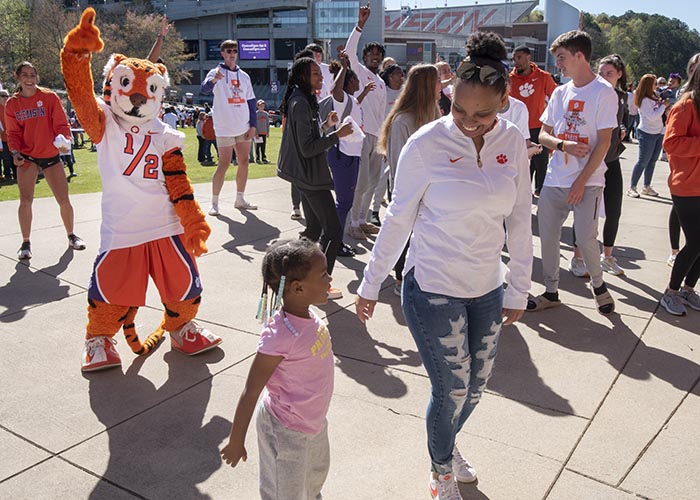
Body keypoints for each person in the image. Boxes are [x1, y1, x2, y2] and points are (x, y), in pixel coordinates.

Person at [356, 32, 532, 500]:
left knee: (475, 389)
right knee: (452, 388)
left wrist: (518, 289)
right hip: (432, 286)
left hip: (487, 286)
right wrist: (370, 283)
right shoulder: (424, 142)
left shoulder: (513, 141)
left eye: (484, 114)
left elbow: (519, 218)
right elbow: (397, 219)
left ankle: (447, 444)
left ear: (504, 102)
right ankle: (439, 474)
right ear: (448, 95)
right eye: (460, 110)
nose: (471, 122)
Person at [220, 238, 335, 500]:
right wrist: (236, 440)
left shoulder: (308, 314)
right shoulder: (280, 336)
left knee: (314, 478)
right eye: (324, 274)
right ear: (297, 288)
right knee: (285, 492)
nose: (329, 279)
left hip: (314, 421)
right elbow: (251, 391)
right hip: (286, 429)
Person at [527, 30, 617, 315]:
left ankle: (599, 287)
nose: (559, 64)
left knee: (586, 238)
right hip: (555, 180)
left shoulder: (604, 92)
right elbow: (543, 135)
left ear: (580, 56)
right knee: (549, 237)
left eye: (563, 58)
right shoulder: (559, 92)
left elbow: (604, 142)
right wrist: (562, 144)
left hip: (588, 182)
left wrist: (581, 181)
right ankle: (551, 291)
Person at [277, 56, 353, 300]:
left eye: (319, 74)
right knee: (333, 230)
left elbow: (306, 136)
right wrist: (337, 134)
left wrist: (324, 126)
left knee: (313, 228)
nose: (320, 77)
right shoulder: (300, 102)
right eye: (315, 74)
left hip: (305, 175)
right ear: (302, 76)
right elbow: (308, 148)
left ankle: (289, 270)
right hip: (309, 176)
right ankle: (323, 283)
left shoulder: (304, 99)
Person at [4, 61, 86, 259]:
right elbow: (12, 133)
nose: (29, 79)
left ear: (37, 77)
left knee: (63, 199)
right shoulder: (12, 104)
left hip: (50, 156)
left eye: (33, 75)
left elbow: (61, 124)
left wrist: (64, 139)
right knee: (26, 200)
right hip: (27, 158)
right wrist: (15, 152)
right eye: (25, 75)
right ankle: (25, 242)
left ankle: (71, 235)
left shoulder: (49, 97)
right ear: (18, 78)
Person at [376, 63, 441, 296]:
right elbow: (396, 164)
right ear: (426, 86)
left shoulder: (434, 113)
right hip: (408, 190)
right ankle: (400, 278)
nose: (441, 86)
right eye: (437, 82)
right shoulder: (402, 120)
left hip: (433, 191)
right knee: (403, 234)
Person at [569, 54, 630, 278]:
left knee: (614, 211)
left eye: (610, 73)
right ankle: (577, 258)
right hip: (591, 162)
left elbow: (619, 119)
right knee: (583, 212)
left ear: (619, 75)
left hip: (611, 160)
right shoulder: (592, 94)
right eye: (601, 73)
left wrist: (622, 127)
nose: (604, 78)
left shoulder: (621, 96)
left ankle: (608, 256)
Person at [659, 59, 700, 316]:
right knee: (696, 242)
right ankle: (670, 293)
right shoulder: (685, 105)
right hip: (686, 185)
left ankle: (687, 289)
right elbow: (671, 144)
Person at [201, 39, 258, 214]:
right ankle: (215, 203)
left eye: (234, 51)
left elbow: (251, 101)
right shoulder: (215, 72)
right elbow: (204, 90)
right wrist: (213, 81)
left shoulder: (244, 76)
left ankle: (240, 198)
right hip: (224, 127)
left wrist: (253, 125)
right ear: (223, 54)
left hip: (243, 125)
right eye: (228, 51)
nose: (232, 54)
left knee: (244, 161)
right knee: (223, 164)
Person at [345, 4, 387, 240]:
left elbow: (381, 113)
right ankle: (352, 223)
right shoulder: (359, 72)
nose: (375, 58)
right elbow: (350, 51)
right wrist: (360, 25)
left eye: (378, 55)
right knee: (359, 183)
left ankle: (362, 220)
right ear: (364, 58)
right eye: (371, 54)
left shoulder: (380, 82)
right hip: (361, 136)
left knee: (372, 183)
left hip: (377, 137)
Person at [321, 52, 368, 257]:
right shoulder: (341, 99)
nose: (359, 80)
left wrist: (364, 93)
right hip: (343, 155)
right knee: (344, 203)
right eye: (355, 78)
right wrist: (344, 67)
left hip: (351, 155)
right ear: (349, 81)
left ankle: (331, 240)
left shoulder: (352, 100)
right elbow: (334, 90)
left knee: (345, 202)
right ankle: (333, 242)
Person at [510, 45, 558, 196]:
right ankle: (521, 191)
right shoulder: (509, 78)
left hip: (537, 126)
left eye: (519, 57)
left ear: (528, 57)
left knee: (541, 162)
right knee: (519, 162)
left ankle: (541, 191)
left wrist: (552, 121)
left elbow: (556, 97)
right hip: (516, 127)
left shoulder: (544, 77)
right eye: (514, 58)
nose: (516, 62)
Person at [368, 62, 404, 228]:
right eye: (398, 74)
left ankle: (394, 211)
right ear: (390, 76)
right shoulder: (383, 91)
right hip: (384, 139)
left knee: (397, 177)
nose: (401, 77)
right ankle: (374, 211)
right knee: (381, 177)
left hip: (402, 139)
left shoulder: (405, 93)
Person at [627, 74, 670, 198]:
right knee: (643, 161)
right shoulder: (643, 100)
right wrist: (663, 106)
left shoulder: (655, 96)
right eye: (654, 83)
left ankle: (646, 186)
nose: (656, 86)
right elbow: (652, 116)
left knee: (652, 161)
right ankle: (632, 187)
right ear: (648, 85)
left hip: (658, 132)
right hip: (646, 132)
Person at [0, 89, 16, 182]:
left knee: (15, 156)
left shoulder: (11, 107)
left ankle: (16, 174)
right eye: (3, 96)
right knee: (6, 159)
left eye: (7, 96)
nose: (5, 98)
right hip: (3, 138)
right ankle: (7, 175)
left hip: (14, 137)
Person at [255, 99, 270, 164]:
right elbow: (254, 124)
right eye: (260, 105)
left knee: (263, 147)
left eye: (263, 105)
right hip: (258, 133)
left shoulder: (265, 114)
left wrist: (267, 132)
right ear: (258, 106)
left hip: (264, 132)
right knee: (257, 146)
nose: (262, 107)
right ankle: (258, 159)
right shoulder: (256, 114)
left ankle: (264, 158)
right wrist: (256, 133)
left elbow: (267, 124)